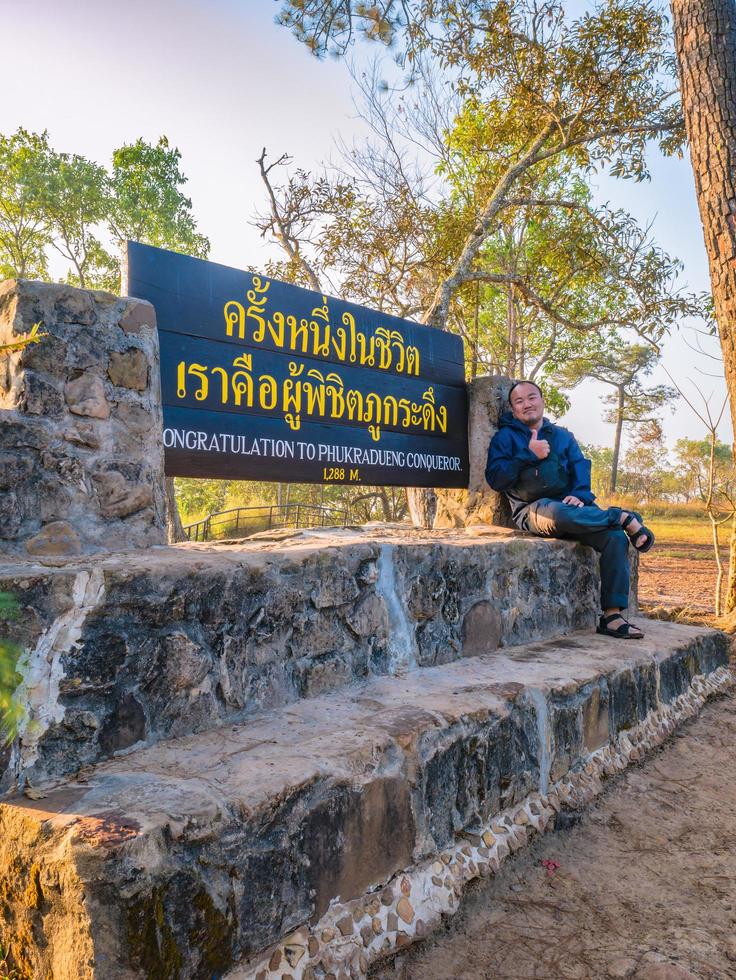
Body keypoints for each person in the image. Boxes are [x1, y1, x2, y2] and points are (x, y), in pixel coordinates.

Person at [485, 380, 655, 639]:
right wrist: (527, 454)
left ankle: (611, 616)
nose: (526, 404)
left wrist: (579, 495)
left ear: (542, 401)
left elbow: (580, 473)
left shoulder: (563, 436)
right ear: (513, 409)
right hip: (533, 509)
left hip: (574, 508)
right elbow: (496, 479)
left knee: (615, 538)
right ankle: (622, 517)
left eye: (531, 397)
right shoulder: (505, 438)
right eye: (519, 401)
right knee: (560, 514)